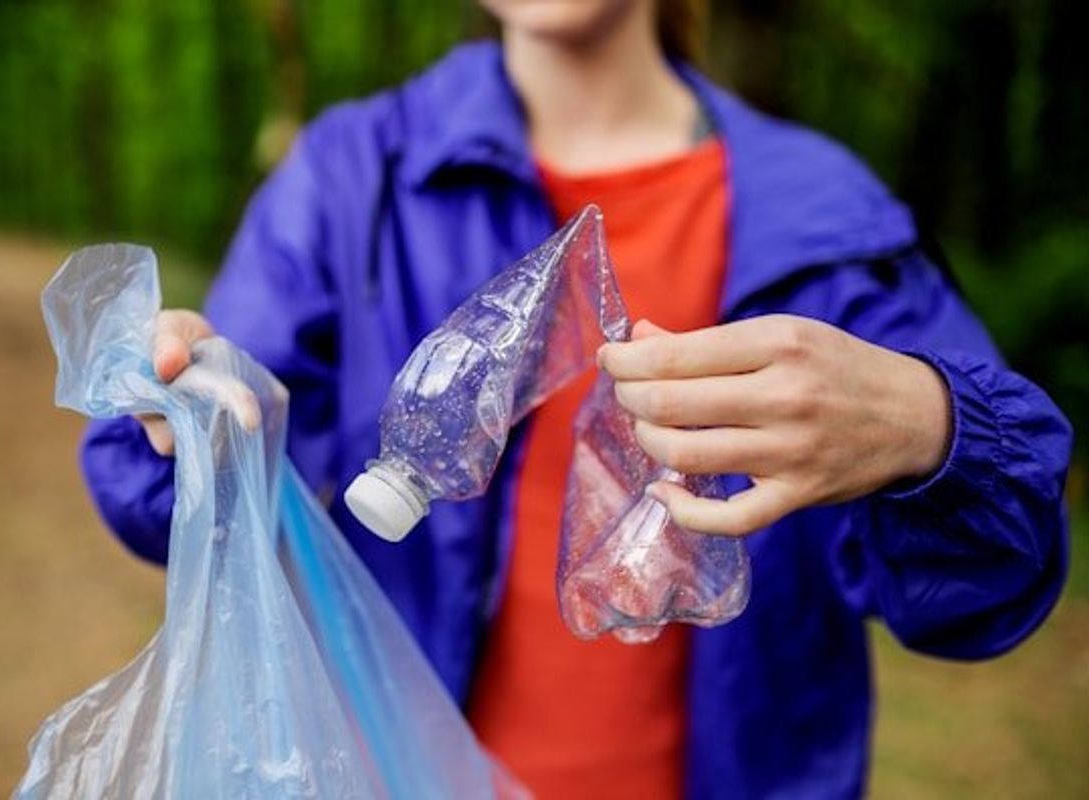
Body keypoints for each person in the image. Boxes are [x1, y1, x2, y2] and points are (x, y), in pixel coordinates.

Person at [79, 1, 1073, 797]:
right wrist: (186, 409)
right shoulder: (354, 182)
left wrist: (929, 426)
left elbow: (996, 571)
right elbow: (193, 510)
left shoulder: (822, 215)